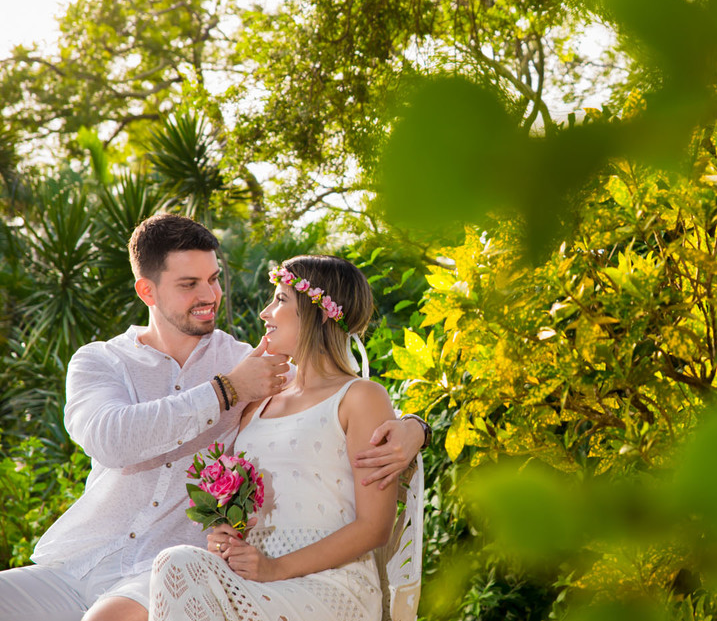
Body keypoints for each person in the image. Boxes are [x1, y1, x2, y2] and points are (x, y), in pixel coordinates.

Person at [0, 214, 428, 621]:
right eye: (189, 284)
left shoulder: (253, 368)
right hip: (78, 564)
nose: (209, 296)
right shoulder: (102, 361)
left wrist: (416, 429)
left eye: (213, 279)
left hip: (165, 574)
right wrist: (225, 391)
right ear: (147, 291)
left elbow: (329, 395)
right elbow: (112, 439)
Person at [148, 255, 399, 621]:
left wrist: (275, 569)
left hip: (331, 586)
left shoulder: (360, 397)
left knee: (178, 565)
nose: (265, 313)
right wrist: (228, 534)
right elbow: (251, 506)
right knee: (177, 564)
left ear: (320, 313)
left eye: (281, 299)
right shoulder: (259, 403)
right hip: (256, 580)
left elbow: (375, 527)